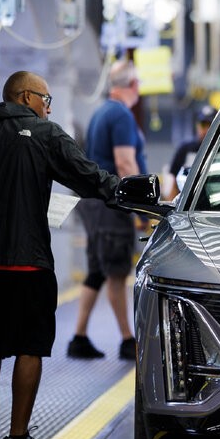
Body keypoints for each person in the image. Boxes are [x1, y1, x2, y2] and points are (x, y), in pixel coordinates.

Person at [0, 71, 120, 439]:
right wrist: (123, 191)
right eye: (46, 99)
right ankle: (17, 437)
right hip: (29, 262)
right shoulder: (46, 133)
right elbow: (86, 176)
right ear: (25, 97)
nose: (48, 108)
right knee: (30, 346)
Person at [68, 59, 147, 360]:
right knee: (116, 271)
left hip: (94, 204)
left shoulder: (101, 112)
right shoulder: (121, 115)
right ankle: (128, 341)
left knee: (98, 270)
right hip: (111, 205)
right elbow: (125, 163)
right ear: (134, 85)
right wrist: (143, 208)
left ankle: (79, 337)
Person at [165, 104, 216, 199]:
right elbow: (174, 185)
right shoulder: (185, 149)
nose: (206, 130)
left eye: (210, 125)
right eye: (203, 125)